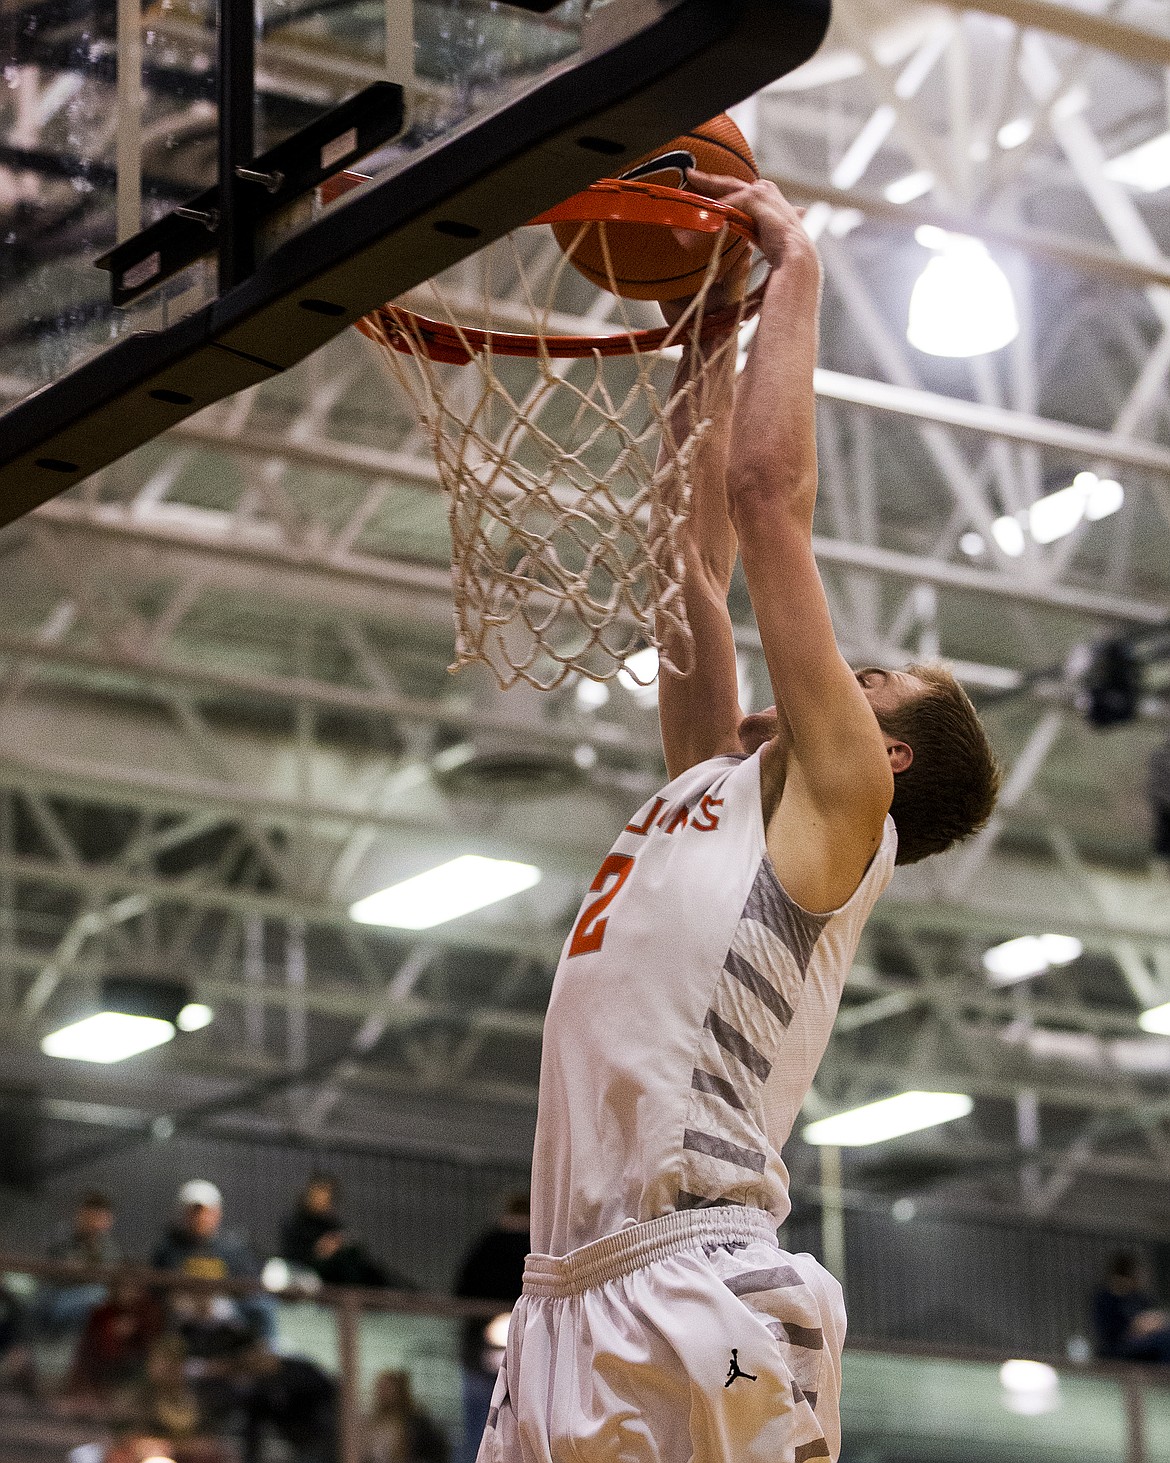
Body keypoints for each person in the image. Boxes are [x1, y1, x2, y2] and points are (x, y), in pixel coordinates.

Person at [477, 175, 1001, 1463]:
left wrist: (796, 273)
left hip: (700, 1283)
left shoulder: (843, 815)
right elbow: (686, 566)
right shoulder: (709, 783)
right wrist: (705, 338)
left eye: (872, 678)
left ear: (881, 754)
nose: (839, 667)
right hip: (561, 1299)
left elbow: (768, 497)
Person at [452, 1194, 529, 1463]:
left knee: (477, 1427)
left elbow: (461, 1291)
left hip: (477, 1349)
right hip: (526, 1352)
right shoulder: (539, 1248)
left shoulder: (486, 1245)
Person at [152, 1180, 275, 1345]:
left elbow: (248, 1284)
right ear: (183, 1213)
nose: (200, 1218)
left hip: (225, 1306)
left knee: (261, 1305)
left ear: (217, 1213)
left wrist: (219, 1300)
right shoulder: (168, 1248)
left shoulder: (233, 1247)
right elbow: (157, 1287)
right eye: (194, 1212)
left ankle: (268, 1353)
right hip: (182, 1306)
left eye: (206, 1212)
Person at [279, 1174, 404, 1289]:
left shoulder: (330, 1224)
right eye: (320, 1194)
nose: (324, 1200)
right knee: (348, 1258)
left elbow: (342, 1241)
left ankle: (393, 1291)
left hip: (335, 1269)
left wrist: (338, 1244)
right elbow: (295, 1255)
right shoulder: (295, 1223)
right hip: (308, 1271)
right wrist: (321, 1250)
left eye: (328, 1196)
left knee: (361, 1260)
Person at [39, 1189, 122, 1334]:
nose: (95, 1223)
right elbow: (59, 1273)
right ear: (81, 1215)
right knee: (97, 1294)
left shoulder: (109, 1248)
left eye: (101, 1218)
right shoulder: (61, 1237)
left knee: (99, 1296)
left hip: (85, 1308)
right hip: (54, 1298)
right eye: (91, 1216)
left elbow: (107, 1278)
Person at [1093, 1250, 1170, 1364]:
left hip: (1145, 1340)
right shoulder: (1106, 1298)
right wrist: (1136, 1326)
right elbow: (1111, 1331)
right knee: (1165, 1340)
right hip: (1119, 1345)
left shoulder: (1139, 1297)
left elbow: (1154, 1317)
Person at [364, 1368, 449, 1463]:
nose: (381, 1393)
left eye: (387, 1388)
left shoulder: (415, 1423)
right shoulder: (373, 1422)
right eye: (380, 1388)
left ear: (398, 1391)